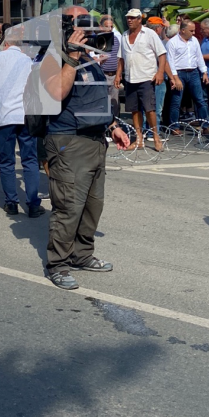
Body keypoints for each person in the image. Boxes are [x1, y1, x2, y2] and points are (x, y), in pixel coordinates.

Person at [39, 21, 129, 290]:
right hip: (68, 142)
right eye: (82, 30)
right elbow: (57, 93)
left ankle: (82, 254)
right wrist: (73, 55)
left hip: (95, 141)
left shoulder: (91, 60)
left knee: (92, 205)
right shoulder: (52, 59)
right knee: (68, 207)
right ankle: (58, 264)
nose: (90, 35)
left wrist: (112, 127)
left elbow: (96, 101)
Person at [0, 28, 45, 217]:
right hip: (25, 116)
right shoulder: (28, 61)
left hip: (3, 117)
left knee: (6, 161)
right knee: (30, 160)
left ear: (5, 44)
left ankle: (12, 203)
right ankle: (33, 204)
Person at [114, 9, 166, 151]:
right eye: (128, 18)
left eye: (132, 18)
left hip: (147, 77)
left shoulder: (149, 34)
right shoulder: (124, 35)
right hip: (130, 77)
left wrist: (160, 72)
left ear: (139, 19)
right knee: (134, 110)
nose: (129, 20)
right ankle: (139, 139)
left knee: (150, 109)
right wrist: (118, 75)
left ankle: (156, 137)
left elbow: (161, 54)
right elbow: (121, 58)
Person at [166, 20, 209, 133]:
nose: (194, 33)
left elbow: (199, 57)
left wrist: (204, 72)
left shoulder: (194, 40)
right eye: (191, 30)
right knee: (176, 101)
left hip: (193, 72)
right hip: (179, 73)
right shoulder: (172, 43)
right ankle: (174, 126)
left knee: (200, 99)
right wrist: (175, 78)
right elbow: (170, 62)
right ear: (183, 30)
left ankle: (205, 125)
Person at [145, 17, 168, 131]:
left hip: (146, 76)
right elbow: (163, 61)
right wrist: (173, 78)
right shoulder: (156, 40)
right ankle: (154, 132)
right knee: (156, 107)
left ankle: (147, 131)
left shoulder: (144, 38)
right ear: (158, 28)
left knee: (147, 106)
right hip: (156, 76)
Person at [98, 15, 121, 116]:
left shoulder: (116, 40)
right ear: (101, 27)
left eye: (111, 27)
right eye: (107, 26)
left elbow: (119, 58)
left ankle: (115, 123)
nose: (110, 29)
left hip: (114, 76)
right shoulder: (96, 40)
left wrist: (118, 75)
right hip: (101, 75)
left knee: (114, 102)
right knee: (102, 102)